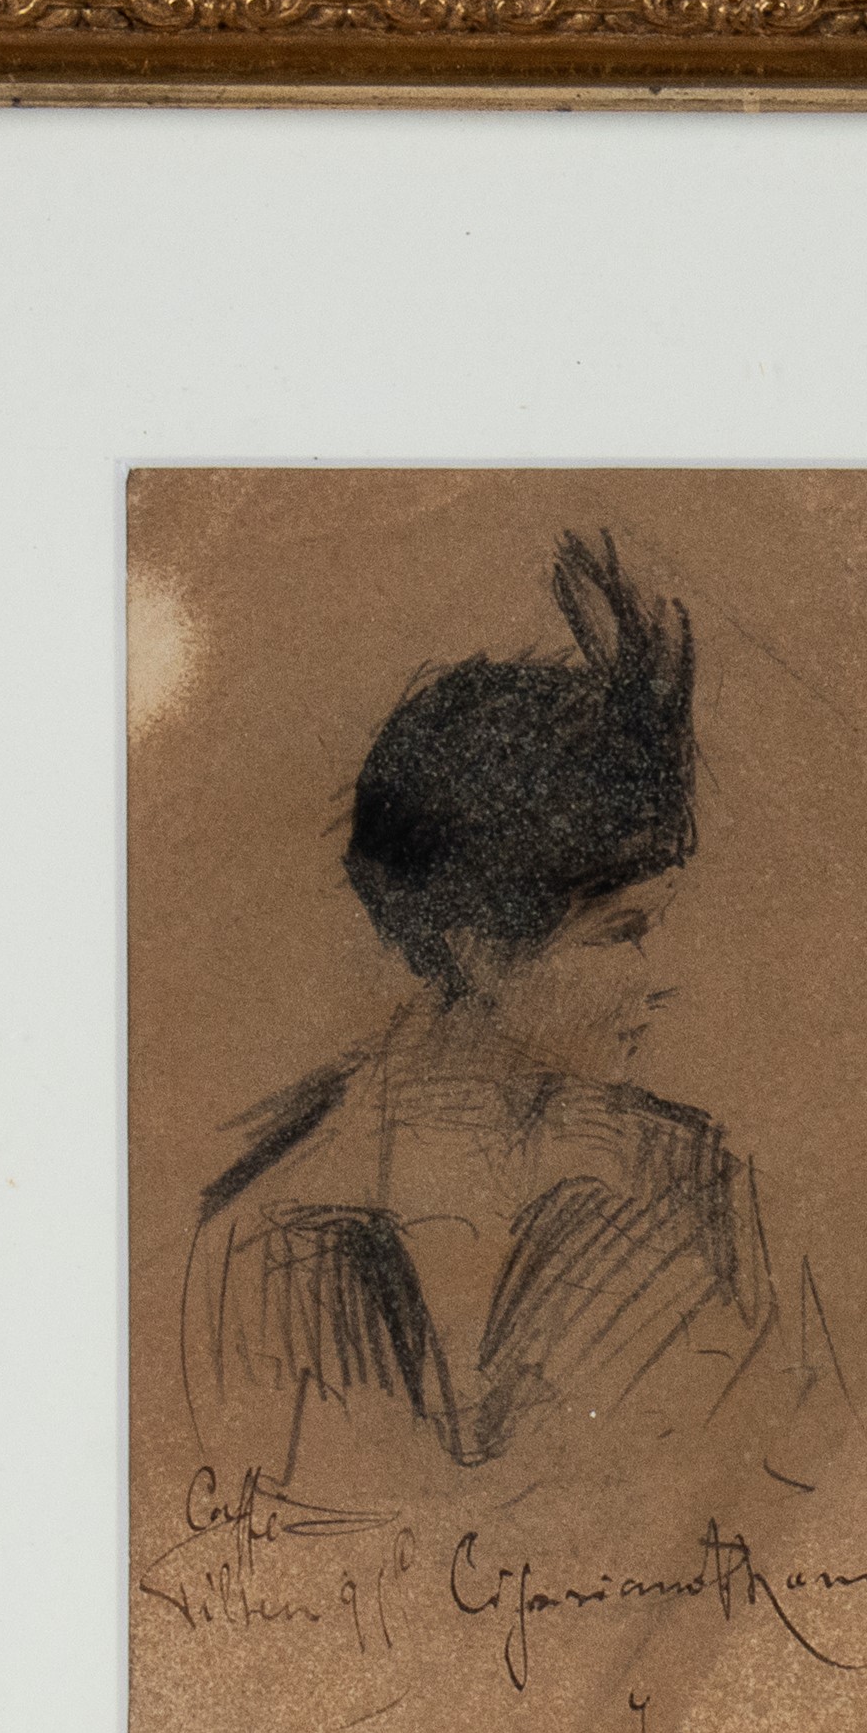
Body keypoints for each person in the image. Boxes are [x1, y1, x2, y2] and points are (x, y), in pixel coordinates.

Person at [181, 532, 792, 1493]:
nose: (660, 979)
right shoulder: (267, 1233)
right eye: (621, 934)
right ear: (476, 943)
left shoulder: (696, 1189)